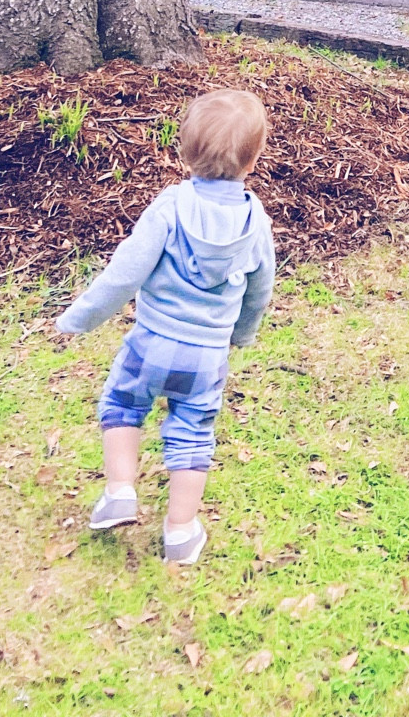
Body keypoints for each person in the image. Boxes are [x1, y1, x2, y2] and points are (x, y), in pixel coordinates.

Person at [54, 86, 275, 565]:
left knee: (122, 403)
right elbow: (261, 290)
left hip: (151, 343)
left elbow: (124, 273)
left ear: (184, 151)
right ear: (254, 159)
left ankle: (119, 492)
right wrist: (242, 334)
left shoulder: (170, 207)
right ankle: (179, 531)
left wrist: (80, 318)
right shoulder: (256, 222)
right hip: (207, 356)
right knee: (193, 433)